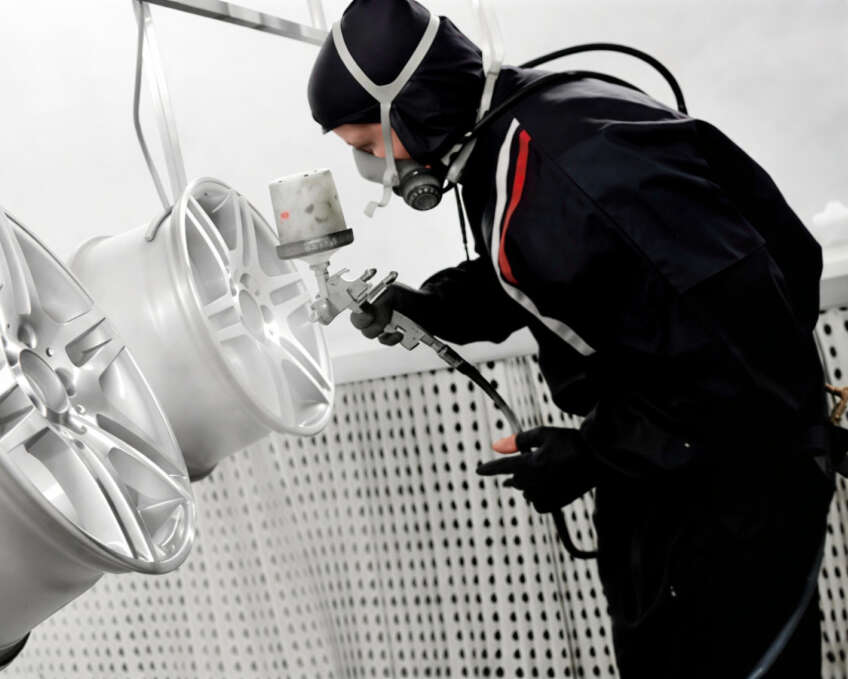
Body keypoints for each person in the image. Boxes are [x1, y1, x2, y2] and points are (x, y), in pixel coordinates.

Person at [306, 1, 842, 676]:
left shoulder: (576, 172)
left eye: (367, 147)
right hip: (677, 468)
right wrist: (431, 306)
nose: (376, 170)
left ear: (412, 109)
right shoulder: (514, 130)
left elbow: (742, 364)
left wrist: (592, 453)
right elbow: (561, 269)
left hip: (735, 490)